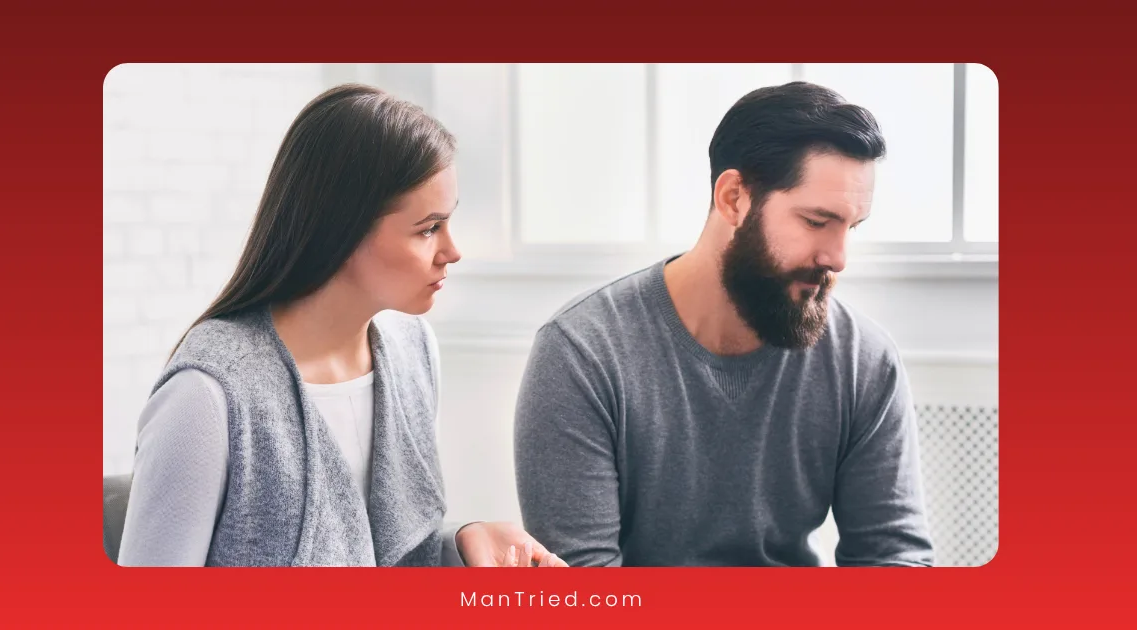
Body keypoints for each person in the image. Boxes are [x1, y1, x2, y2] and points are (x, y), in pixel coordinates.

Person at [118, 84, 565, 568]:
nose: (452, 251)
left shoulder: (414, 351)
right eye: (428, 228)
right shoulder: (204, 398)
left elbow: (382, 549)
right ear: (342, 228)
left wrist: (462, 541)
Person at [514, 81, 934, 567]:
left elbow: (896, 559)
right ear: (733, 197)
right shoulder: (581, 353)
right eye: (817, 222)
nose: (837, 258)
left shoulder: (864, 360)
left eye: (850, 227)